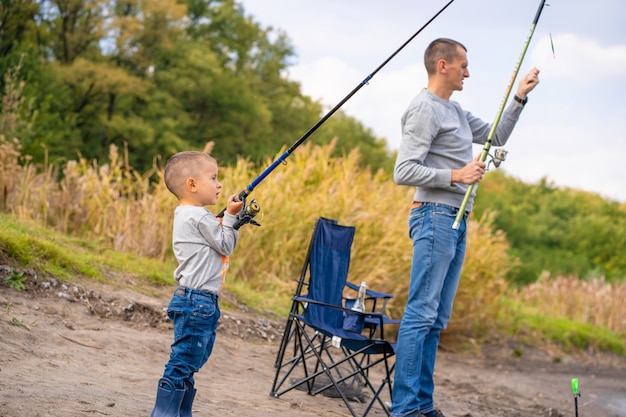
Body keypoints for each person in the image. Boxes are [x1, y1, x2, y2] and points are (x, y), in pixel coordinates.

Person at [391, 38, 540, 417]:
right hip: (434, 216)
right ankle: (405, 409)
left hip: (457, 221)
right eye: (463, 66)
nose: (468, 73)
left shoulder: (454, 110)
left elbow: (496, 135)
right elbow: (403, 170)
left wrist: (519, 98)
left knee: (437, 319)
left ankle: (422, 406)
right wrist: (457, 174)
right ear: (443, 66)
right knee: (420, 314)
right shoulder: (423, 109)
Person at [150, 151, 243, 417]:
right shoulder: (200, 216)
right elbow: (225, 244)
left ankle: (179, 412)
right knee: (183, 362)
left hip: (196, 300)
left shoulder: (186, 215)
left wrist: (224, 222)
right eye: (213, 178)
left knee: (190, 360)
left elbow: (216, 239)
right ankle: (164, 413)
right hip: (198, 301)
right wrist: (233, 219)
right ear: (192, 185)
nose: (219, 184)